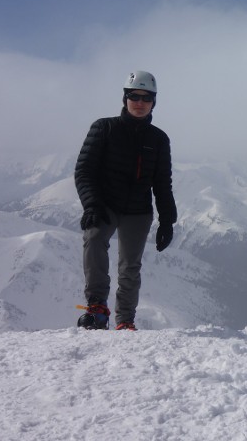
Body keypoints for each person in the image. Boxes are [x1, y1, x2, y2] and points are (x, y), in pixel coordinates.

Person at [74, 70, 178, 330]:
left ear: (154, 102)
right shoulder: (104, 128)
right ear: (125, 98)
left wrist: (167, 221)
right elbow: (84, 170)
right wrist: (92, 204)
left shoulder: (158, 139)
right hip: (105, 204)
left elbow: (162, 183)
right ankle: (97, 307)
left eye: (146, 98)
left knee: (130, 266)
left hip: (138, 211)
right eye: (134, 96)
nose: (140, 103)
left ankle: (125, 321)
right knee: (94, 239)